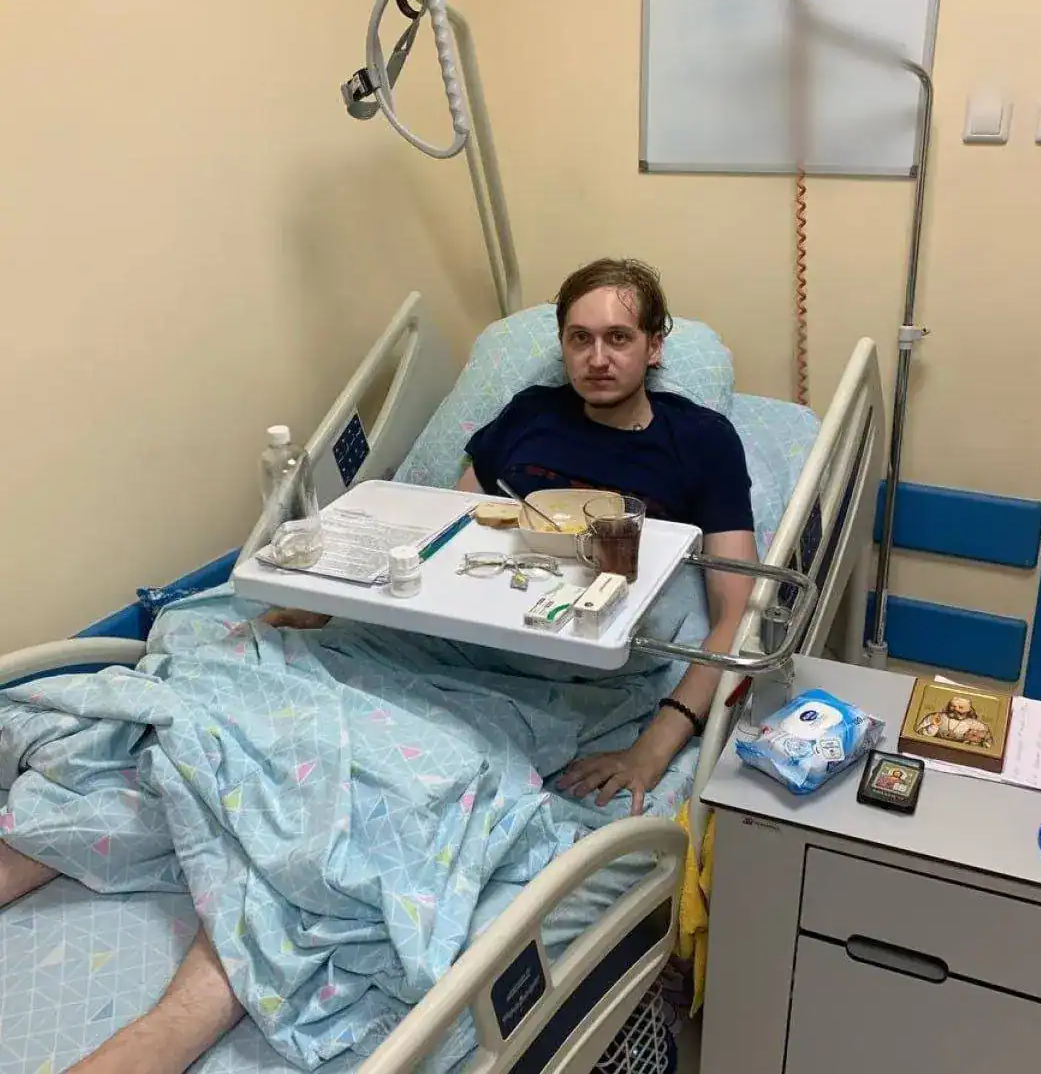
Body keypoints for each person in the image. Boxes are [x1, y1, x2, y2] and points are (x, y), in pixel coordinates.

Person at [0, 257, 755, 1073]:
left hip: (564, 672)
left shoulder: (700, 442)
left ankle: (183, 1017)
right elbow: (440, 531)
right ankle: (39, 847)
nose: (597, 358)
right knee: (219, 674)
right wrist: (334, 606)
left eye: (619, 338)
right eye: (579, 338)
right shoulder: (530, 415)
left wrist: (658, 744)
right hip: (439, 635)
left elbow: (734, 611)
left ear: (654, 345)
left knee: (401, 782)